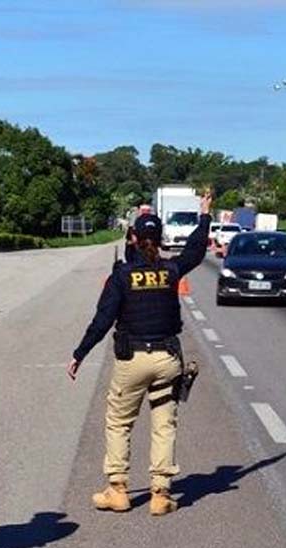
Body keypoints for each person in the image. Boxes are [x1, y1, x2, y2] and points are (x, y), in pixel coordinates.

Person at [67, 191, 212, 516]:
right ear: (159, 239)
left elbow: (103, 319)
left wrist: (80, 353)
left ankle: (118, 489)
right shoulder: (171, 271)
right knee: (164, 424)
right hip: (167, 359)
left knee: (119, 422)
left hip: (132, 359)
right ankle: (161, 493)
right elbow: (195, 251)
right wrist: (204, 215)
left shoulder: (121, 275)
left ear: (132, 237)